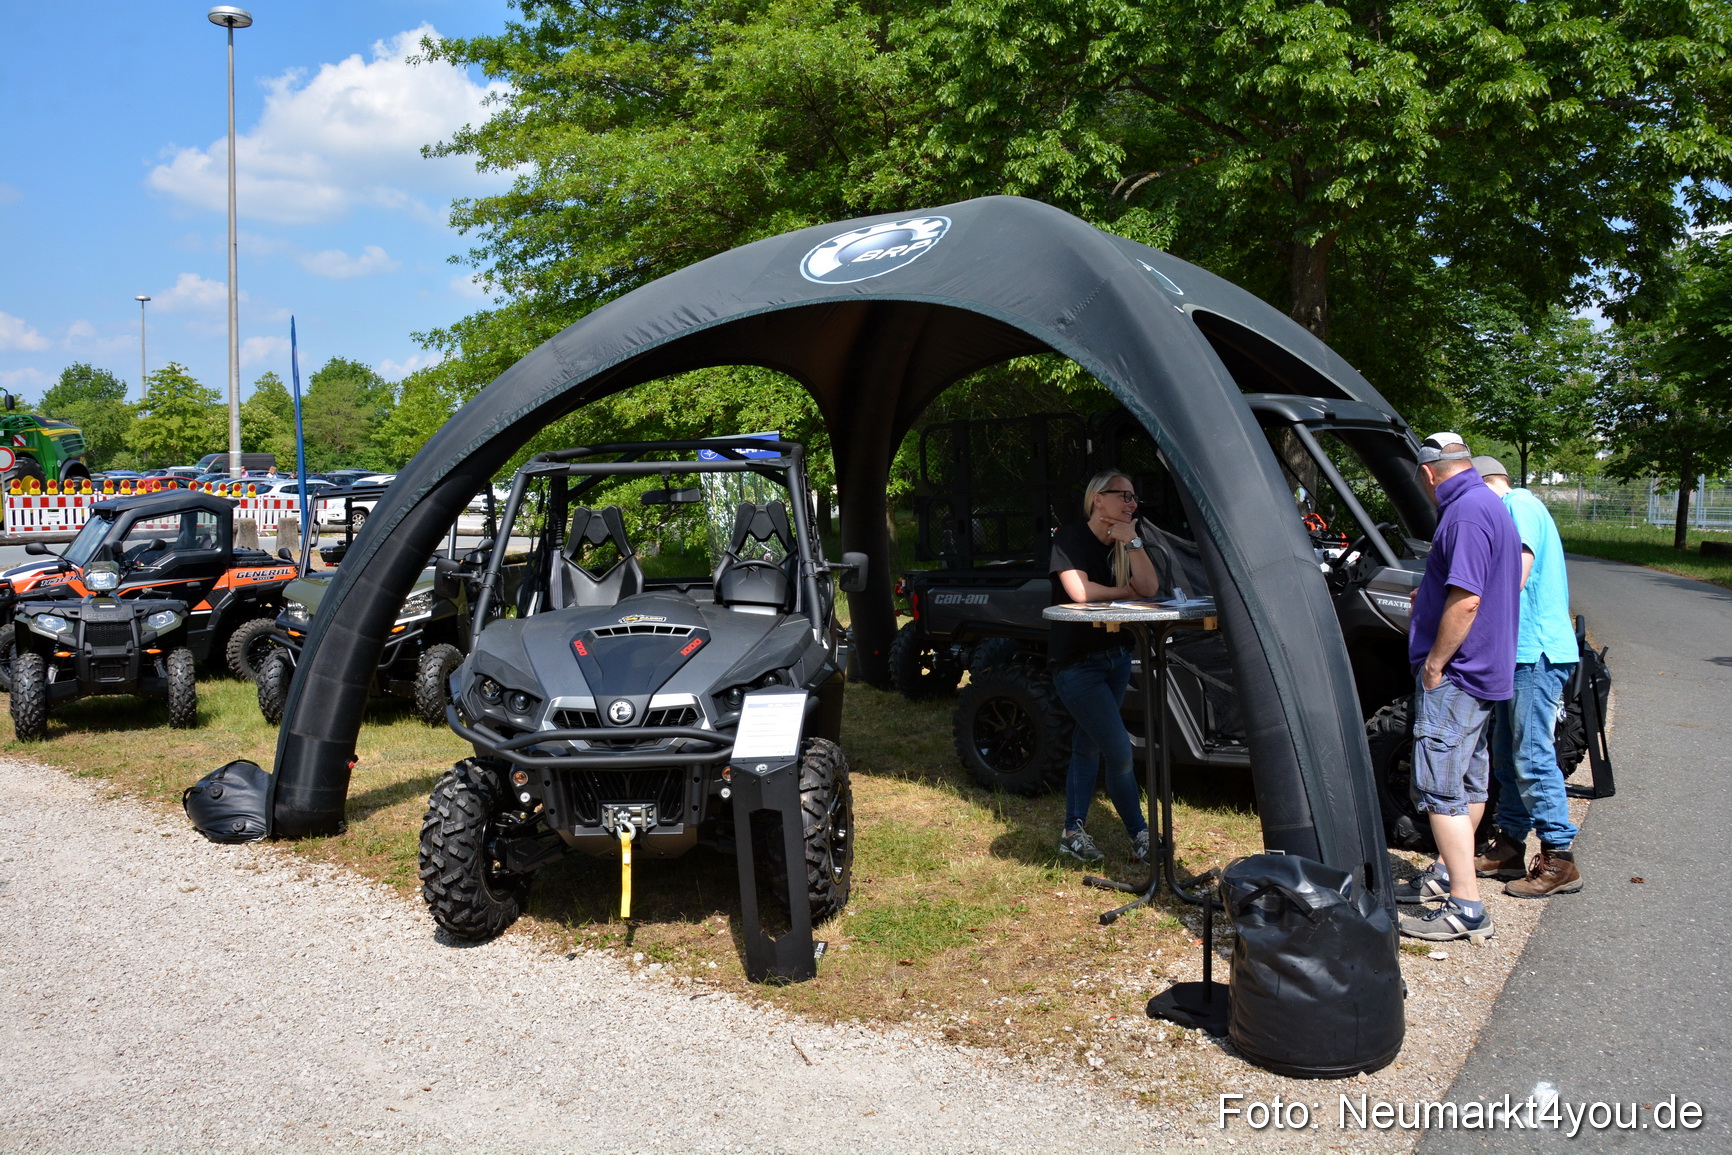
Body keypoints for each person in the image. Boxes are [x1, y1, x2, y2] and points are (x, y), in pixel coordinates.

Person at [1395, 434, 1522, 942]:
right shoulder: (1491, 505)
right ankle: (1452, 872)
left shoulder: (1464, 514)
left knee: (1441, 787)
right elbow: (1493, 585)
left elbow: (1468, 600)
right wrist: (1428, 596)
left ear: (1428, 475)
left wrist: (1436, 662)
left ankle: (1466, 907)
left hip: (1459, 673)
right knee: (1469, 780)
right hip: (1488, 667)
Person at [1472, 456, 1585, 898]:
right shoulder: (1516, 505)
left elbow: (1513, 576)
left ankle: (1560, 857)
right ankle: (1511, 845)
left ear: (1485, 485)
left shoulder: (1518, 504)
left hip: (1535, 653)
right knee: (1507, 752)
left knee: (1532, 756)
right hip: (1518, 654)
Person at [1049, 470, 1161, 864]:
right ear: (1098, 499)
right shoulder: (1069, 538)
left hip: (1114, 658)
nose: (1131, 504)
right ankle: (1141, 835)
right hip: (1077, 665)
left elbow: (1149, 588)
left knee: (1088, 744)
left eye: (1134, 498)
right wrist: (1122, 592)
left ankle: (1072, 831)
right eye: (1124, 496)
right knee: (1120, 752)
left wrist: (1132, 542)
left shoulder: (1125, 543)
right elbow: (1079, 592)